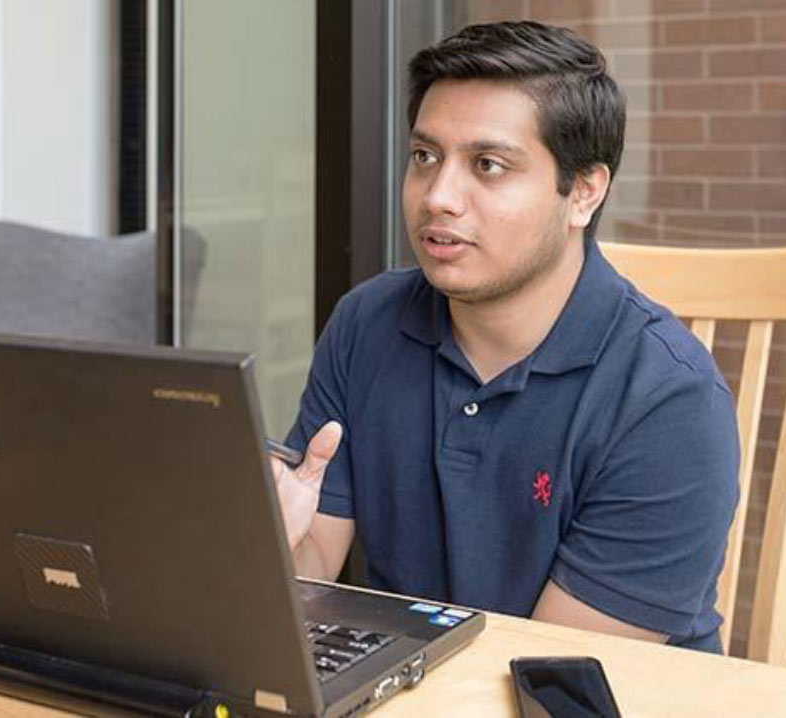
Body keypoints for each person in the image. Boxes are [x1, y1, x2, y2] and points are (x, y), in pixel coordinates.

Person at [273, 21, 739, 652]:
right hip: (412, 681)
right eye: (425, 157)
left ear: (583, 193)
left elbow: (552, 673)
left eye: (488, 166)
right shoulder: (366, 323)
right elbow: (306, 581)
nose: (438, 197)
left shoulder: (669, 399)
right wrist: (276, 544)